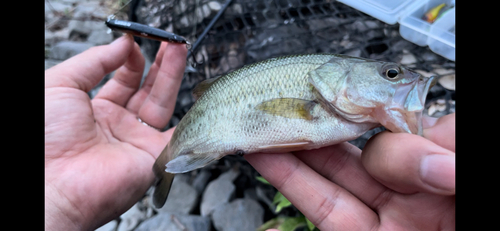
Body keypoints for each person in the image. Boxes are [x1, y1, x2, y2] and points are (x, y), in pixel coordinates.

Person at [45, 35, 455, 231]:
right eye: (390, 74)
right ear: (339, 78)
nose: (401, 79)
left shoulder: (347, 113)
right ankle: (165, 170)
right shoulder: (327, 99)